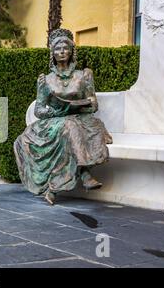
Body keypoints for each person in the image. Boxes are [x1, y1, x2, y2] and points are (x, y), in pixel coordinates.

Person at [14, 28, 113, 205]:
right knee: (68, 126)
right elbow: (39, 109)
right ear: (52, 52)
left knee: (72, 127)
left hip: (79, 118)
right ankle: (84, 174)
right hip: (54, 121)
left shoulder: (84, 75)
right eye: (58, 48)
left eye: (66, 47)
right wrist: (54, 111)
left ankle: (54, 189)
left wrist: (83, 104)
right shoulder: (45, 80)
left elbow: (94, 105)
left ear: (71, 51)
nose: (62, 51)